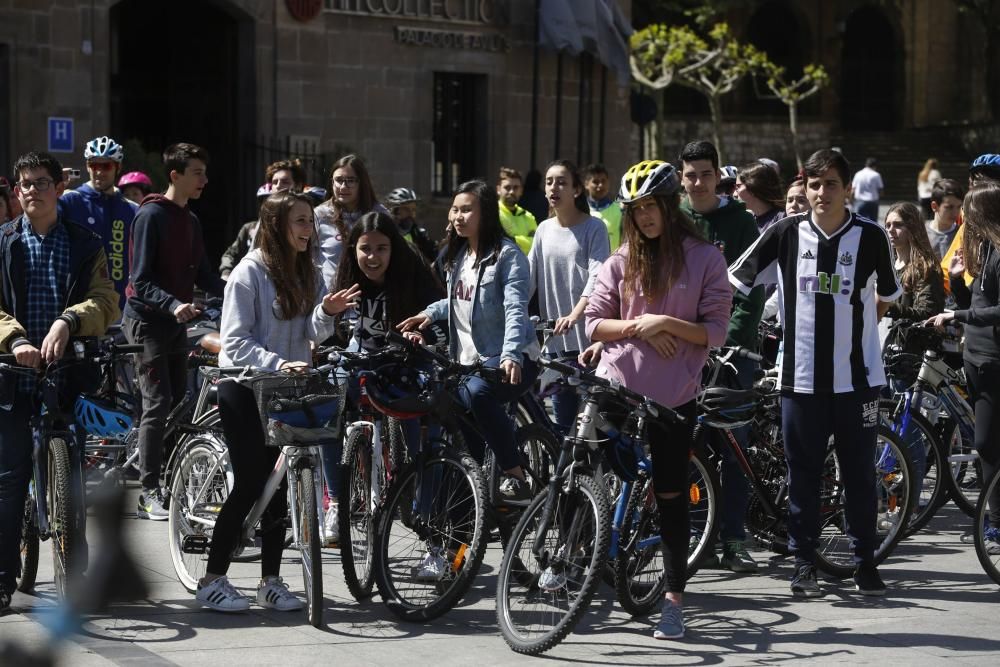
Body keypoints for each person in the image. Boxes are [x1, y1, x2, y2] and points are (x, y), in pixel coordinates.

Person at [730, 148, 902, 598]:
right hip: (798, 380)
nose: (821, 192)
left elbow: (887, 296)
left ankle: (864, 561)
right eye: (813, 184)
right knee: (802, 475)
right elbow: (738, 281)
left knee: (860, 475)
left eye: (830, 184)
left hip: (857, 382)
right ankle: (803, 563)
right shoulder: (785, 233)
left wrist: (857, 334)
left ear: (848, 189)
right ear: (803, 189)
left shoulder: (870, 236)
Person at [585, 160, 732, 640]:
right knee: (583, 470)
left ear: (670, 207)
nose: (644, 216)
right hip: (619, 387)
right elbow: (594, 323)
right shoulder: (622, 258)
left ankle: (673, 599)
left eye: (651, 207)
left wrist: (665, 324)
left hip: (673, 396)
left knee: (670, 496)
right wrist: (637, 327)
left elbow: (714, 330)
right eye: (635, 209)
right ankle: (570, 562)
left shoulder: (706, 258)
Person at [194, 191, 354, 612]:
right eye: (301, 221)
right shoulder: (250, 271)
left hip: (286, 390)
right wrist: (279, 361)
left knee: (282, 484)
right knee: (251, 481)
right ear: (278, 226)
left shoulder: (307, 270)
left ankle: (271, 581)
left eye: (310, 221)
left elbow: (314, 333)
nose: (309, 229)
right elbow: (235, 342)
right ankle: (212, 579)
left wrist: (327, 311)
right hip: (244, 386)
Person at [0, 152, 119, 614]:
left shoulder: (85, 242)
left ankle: (77, 574)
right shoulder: (4, 241)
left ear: (59, 187)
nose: (33, 190)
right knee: (9, 480)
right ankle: (3, 578)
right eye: (25, 183)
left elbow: (106, 300)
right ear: (17, 191)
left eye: (42, 182)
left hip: (68, 370)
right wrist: (15, 340)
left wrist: (70, 321)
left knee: (71, 477)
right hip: (13, 372)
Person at [399, 180, 541, 568]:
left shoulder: (508, 257)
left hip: (512, 359)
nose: (458, 216)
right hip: (467, 362)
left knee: (479, 393)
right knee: (462, 466)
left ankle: (514, 472)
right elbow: (460, 301)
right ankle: (453, 555)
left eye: (467, 210)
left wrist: (511, 354)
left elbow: (515, 309)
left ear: (486, 214)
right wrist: (429, 314)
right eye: (455, 209)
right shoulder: (458, 254)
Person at [323, 211, 445, 543]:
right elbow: (328, 330)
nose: (372, 257)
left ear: (394, 250)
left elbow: (436, 321)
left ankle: (423, 513)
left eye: (381, 248)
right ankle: (336, 501)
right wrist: (325, 316)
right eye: (365, 249)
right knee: (325, 407)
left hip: (402, 364)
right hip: (359, 360)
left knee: (418, 431)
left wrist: (422, 335)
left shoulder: (412, 276)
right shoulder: (346, 279)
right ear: (353, 250)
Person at [124, 143, 226, 520]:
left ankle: (161, 469)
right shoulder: (150, 215)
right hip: (146, 321)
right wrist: (172, 304)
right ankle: (147, 489)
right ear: (175, 175)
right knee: (159, 401)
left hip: (173, 324)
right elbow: (140, 279)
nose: (204, 180)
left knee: (181, 399)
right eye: (196, 172)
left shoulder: (192, 221)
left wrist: (239, 293)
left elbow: (204, 275)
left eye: (204, 172)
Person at [678, 140, 764, 574]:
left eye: (706, 174)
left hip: (733, 354)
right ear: (681, 177)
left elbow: (752, 290)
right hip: (682, 351)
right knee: (688, 447)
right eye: (691, 175)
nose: (698, 182)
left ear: (719, 177)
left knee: (733, 447)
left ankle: (734, 538)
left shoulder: (740, 222)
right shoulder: (673, 218)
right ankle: (698, 534)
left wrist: (724, 339)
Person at [925, 183, 1000, 555]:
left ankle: (996, 522)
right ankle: (997, 519)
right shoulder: (983, 250)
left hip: (995, 361)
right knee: (985, 444)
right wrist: (956, 281)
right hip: (977, 358)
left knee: (986, 441)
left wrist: (959, 312)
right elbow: (980, 301)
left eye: (968, 212)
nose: (962, 220)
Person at [529, 160, 610, 432]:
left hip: (590, 346)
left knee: (594, 431)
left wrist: (576, 315)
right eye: (550, 182)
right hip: (555, 348)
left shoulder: (594, 228)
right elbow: (527, 280)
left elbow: (598, 277)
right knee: (562, 429)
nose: (554, 187)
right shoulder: (542, 229)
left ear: (576, 190)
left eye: (562, 182)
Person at [59, 136, 137, 310]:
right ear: (87, 166)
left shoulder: (132, 210)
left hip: (121, 308)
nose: (99, 171)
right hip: (79, 306)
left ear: (118, 167)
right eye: (94, 165)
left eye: (106, 166)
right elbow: (38, 220)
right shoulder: (69, 201)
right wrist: (53, 190)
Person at [314, 154, 389, 290]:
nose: (343, 187)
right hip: (330, 296)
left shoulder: (379, 214)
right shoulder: (320, 215)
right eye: (339, 180)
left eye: (350, 180)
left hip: (369, 296)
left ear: (362, 183)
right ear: (332, 183)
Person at [883, 202, 945, 323]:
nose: (891, 230)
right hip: (883, 338)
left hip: (910, 339)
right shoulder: (887, 264)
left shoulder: (926, 267)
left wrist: (888, 306)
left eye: (898, 225)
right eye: (888, 225)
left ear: (913, 228)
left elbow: (928, 313)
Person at [384, 187, 437, 263]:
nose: (412, 214)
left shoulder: (418, 234)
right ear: (394, 211)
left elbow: (433, 255)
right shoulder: (385, 234)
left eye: (413, 210)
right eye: (406, 209)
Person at [496, 166, 538, 254]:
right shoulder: (492, 213)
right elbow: (496, 243)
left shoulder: (528, 216)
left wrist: (512, 239)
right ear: (498, 189)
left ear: (521, 190)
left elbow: (536, 245)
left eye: (515, 188)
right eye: (507, 187)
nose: (511, 192)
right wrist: (527, 240)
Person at [735, 161, 786, 232]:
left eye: (738, 187)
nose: (734, 194)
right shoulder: (748, 221)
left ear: (752, 187)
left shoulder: (782, 220)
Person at [584, 163, 624, 251]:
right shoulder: (579, 211)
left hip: (612, 262)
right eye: (595, 182)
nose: (600, 185)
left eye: (603, 181)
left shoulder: (620, 210)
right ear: (586, 184)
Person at [925, 179, 965, 262]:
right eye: (949, 207)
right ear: (934, 206)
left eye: (958, 207)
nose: (955, 212)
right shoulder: (921, 232)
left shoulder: (962, 234)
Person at [851, 157, 884, 221]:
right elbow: (881, 190)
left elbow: (853, 190)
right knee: (873, 224)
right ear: (875, 166)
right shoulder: (876, 175)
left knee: (859, 223)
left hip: (860, 202)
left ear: (866, 164)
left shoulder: (858, 174)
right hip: (873, 202)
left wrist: (851, 201)